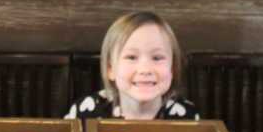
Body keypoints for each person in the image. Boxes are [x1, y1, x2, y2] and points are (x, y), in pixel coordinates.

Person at [65, 11, 198, 122]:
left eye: (157, 58)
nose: (145, 70)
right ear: (110, 69)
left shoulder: (186, 117)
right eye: (131, 57)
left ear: (172, 68)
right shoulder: (86, 112)